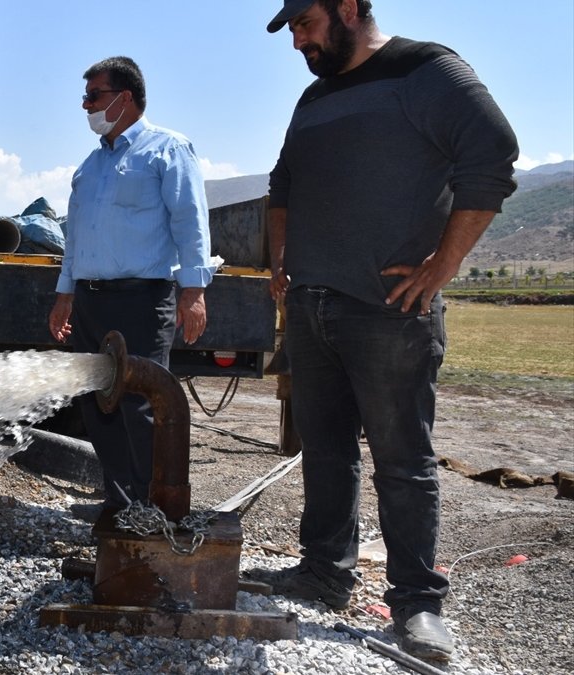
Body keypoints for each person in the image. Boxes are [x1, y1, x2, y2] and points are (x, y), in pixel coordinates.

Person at [259, 0, 518, 662]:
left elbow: (493, 153)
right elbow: (281, 184)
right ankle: (324, 571)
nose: (298, 41)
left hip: (389, 310)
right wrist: (281, 260)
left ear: (348, 7)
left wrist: (443, 263)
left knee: (402, 462)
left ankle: (418, 605)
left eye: (305, 24)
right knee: (324, 449)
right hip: (312, 306)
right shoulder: (314, 98)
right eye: (291, 30)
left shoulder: (427, 70)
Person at [47, 56, 212, 520]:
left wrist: (193, 290)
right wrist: (66, 296)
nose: (86, 106)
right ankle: (119, 501)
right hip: (91, 300)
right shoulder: (90, 166)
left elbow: (190, 222)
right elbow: (76, 237)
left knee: (140, 404)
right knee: (98, 405)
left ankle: (153, 505)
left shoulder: (168, 150)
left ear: (126, 97)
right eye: (85, 97)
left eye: (94, 96)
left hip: (143, 299)